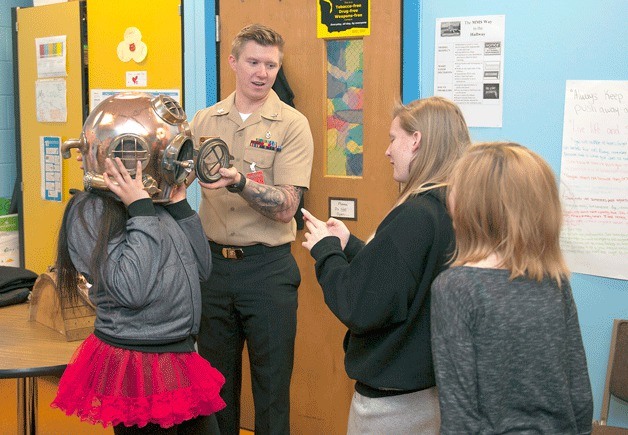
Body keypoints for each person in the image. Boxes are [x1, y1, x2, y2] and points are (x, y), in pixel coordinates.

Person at [301, 96, 471, 434]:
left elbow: (359, 304)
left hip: (394, 404)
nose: (388, 151)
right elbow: (404, 276)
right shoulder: (455, 209)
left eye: (393, 138)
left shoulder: (415, 215)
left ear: (416, 140)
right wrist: (352, 247)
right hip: (432, 390)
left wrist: (326, 252)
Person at [189, 23, 314, 435]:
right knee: (216, 392)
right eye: (254, 62)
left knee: (272, 390)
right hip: (213, 271)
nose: (262, 72)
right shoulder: (204, 120)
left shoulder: (292, 124)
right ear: (233, 62)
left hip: (268, 271)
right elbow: (172, 180)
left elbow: (287, 208)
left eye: (271, 65)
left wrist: (240, 182)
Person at [51, 157, 226, 434]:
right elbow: (131, 289)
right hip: (137, 361)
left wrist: (180, 207)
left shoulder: (154, 203)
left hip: (177, 352)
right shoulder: (90, 209)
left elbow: (202, 269)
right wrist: (140, 211)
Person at [430, 142, 594, 434]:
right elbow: (579, 396)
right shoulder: (555, 281)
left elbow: (459, 416)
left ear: (473, 206)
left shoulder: (455, 288)